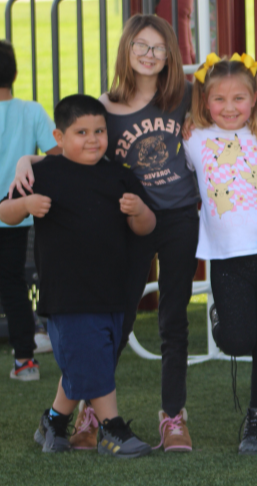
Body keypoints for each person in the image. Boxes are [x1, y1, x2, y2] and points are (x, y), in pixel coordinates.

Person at [14, 15, 201, 451]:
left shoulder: (187, 96)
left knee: (174, 319)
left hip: (176, 218)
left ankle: (173, 417)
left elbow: (237, 112)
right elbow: (72, 149)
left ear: (170, 52)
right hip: (125, 220)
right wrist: (29, 160)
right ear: (126, 51)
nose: (150, 55)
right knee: (114, 318)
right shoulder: (108, 105)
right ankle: (90, 414)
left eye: (158, 47)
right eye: (141, 46)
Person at [0, 94, 157, 458]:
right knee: (90, 357)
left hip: (110, 290)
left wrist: (138, 210)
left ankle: (53, 422)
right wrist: (25, 205)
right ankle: (110, 429)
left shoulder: (119, 176)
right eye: (81, 132)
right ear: (58, 136)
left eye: (99, 131)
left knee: (87, 357)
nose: (92, 139)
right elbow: (5, 212)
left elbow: (147, 227)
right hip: (66, 292)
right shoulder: (43, 174)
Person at [184, 52, 257, 455]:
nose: (229, 108)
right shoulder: (192, 137)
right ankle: (223, 318)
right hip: (227, 259)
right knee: (236, 339)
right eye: (219, 99)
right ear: (204, 101)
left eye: (239, 99)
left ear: (254, 99)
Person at [0, 40, 59, 383]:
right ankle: (26, 362)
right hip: (17, 212)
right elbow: (57, 154)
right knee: (12, 285)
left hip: (14, 213)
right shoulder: (32, 111)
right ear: (15, 72)